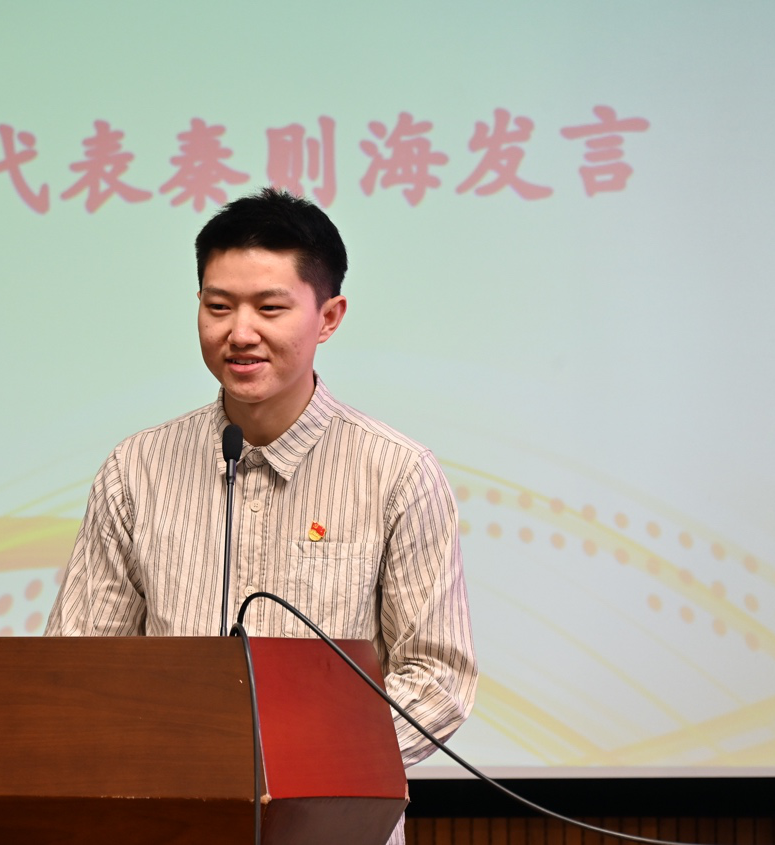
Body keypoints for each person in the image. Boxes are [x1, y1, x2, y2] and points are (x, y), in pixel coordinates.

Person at [45, 187, 477, 845]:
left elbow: (437, 678)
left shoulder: (397, 473)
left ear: (328, 317)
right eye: (218, 306)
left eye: (269, 308)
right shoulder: (136, 469)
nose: (239, 332)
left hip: (335, 827)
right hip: (168, 821)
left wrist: (300, 764)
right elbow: (80, 667)